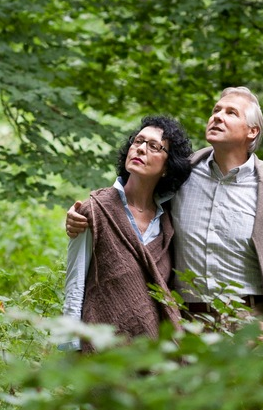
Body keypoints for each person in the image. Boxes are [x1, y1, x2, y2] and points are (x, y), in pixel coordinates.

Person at [67, 87, 263, 335]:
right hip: (185, 323)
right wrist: (84, 214)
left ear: (252, 132)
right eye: (216, 110)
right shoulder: (183, 175)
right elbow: (133, 199)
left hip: (248, 323)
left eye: (231, 113)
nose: (217, 116)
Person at [62, 115, 194, 351]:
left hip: (155, 352)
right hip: (101, 347)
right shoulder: (94, 209)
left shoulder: (168, 222)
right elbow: (75, 284)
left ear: (167, 167)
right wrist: (70, 346)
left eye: (153, 146)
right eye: (138, 141)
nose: (141, 149)